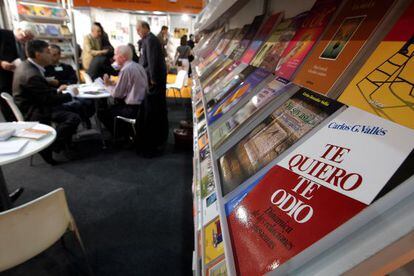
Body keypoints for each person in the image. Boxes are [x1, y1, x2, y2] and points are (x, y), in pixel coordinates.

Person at [13, 40, 81, 165]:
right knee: (73, 117)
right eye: (48, 52)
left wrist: (57, 91)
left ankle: (65, 144)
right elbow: (48, 100)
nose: (51, 55)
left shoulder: (27, 66)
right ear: (38, 55)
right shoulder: (32, 74)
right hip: (36, 110)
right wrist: (69, 94)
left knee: (75, 109)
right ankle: (53, 145)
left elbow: (42, 93)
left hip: (36, 104)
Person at [98, 45, 148, 139]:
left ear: (122, 57)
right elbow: (127, 87)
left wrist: (107, 85)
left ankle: (121, 136)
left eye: (115, 55)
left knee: (102, 113)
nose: (113, 58)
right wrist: (111, 84)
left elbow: (118, 94)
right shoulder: (137, 66)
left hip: (133, 109)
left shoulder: (126, 69)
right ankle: (124, 133)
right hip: (143, 106)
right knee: (112, 108)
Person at [136, 20, 169, 157]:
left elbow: (152, 61)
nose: (137, 32)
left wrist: (152, 80)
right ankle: (157, 139)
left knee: (154, 110)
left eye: (139, 29)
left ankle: (156, 140)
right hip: (152, 81)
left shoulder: (150, 40)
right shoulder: (148, 40)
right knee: (155, 110)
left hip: (153, 82)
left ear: (145, 27)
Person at [46, 44, 95, 127]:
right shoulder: (46, 69)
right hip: (57, 95)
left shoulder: (67, 67)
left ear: (59, 55)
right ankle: (83, 122)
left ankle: (86, 121)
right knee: (78, 104)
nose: (51, 57)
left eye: (54, 55)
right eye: (50, 55)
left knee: (88, 101)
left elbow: (73, 80)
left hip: (70, 90)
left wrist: (59, 82)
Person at [0, 24, 35, 122]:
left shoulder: (23, 42)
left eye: (30, 38)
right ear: (19, 29)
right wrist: (1, 63)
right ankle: (13, 125)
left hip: (18, 78)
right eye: (26, 36)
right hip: (4, 78)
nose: (27, 39)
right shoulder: (3, 34)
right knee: (7, 105)